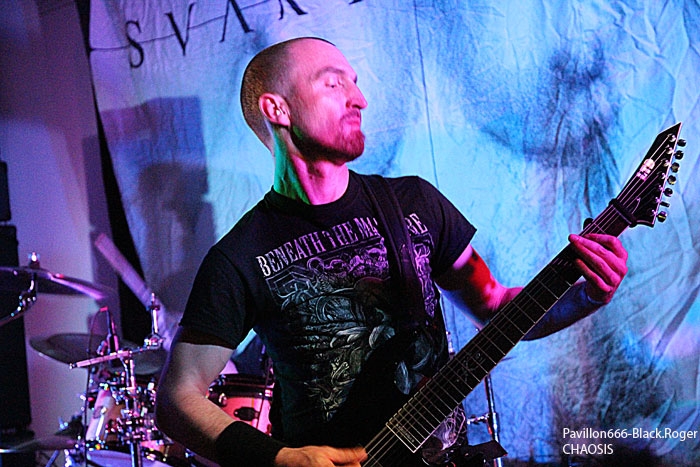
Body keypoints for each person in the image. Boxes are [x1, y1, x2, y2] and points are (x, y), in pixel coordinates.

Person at [155, 37, 628, 467]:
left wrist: (586, 297)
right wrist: (278, 459)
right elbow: (177, 399)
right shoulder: (240, 256)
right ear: (277, 108)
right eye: (333, 83)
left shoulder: (413, 204)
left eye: (355, 83)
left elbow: (496, 306)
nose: (359, 98)